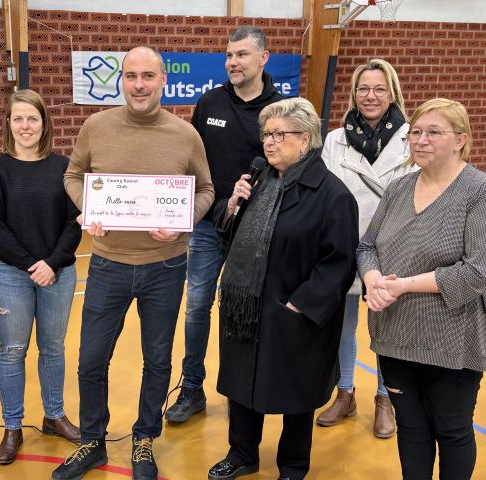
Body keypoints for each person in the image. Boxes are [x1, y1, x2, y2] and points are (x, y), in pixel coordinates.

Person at [52, 46, 214, 480]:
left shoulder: (185, 135)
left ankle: (144, 439)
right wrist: (90, 207)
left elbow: (206, 190)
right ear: (120, 80)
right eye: (130, 76)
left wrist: (183, 222)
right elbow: (72, 176)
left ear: (163, 81)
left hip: (166, 266)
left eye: (147, 76)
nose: (138, 84)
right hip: (108, 265)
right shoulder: (95, 127)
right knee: (91, 360)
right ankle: (92, 441)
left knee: (157, 360)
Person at [207, 97, 358, 480]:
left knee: (297, 391)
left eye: (279, 134)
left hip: (293, 311)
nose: (269, 143)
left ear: (305, 139)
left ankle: (293, 464)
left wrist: (301, 306)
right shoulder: (257, 182)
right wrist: (233, 204)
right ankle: (242, 453)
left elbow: (338, 262)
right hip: (246, 304)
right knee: (242, 383)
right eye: (266, 134)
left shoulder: (331, 194)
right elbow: (230, 233)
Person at [357, 98, 486, 480]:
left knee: (452, 430)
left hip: (452, 339)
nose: (421, 140)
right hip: (395, 335)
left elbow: (477, 272)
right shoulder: (398, 188)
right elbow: (367, 247)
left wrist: (401, 286)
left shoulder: (477, 191)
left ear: (461, 140)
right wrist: (372, 280)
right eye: (416, 132)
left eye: (434, 132)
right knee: (411, 432)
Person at [166, 25, 284, 424]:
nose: (233, 62)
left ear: (263, 58)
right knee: (198, 306)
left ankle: (240, 387)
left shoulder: (279, 112)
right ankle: (192, 388)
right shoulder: (210, 102)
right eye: (229, 55)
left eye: (242, 55)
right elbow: (190, 163)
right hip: (208, 226)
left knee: (244, 311)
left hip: (256, 232)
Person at [0, 89, 82, 465]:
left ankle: (54, 416)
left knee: (53, 348)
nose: (25, 126)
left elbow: (75, 222)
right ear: (8, 124)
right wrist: (31, 265)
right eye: (18, 118)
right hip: (10, 274)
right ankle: (12, 426)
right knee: (12, 351)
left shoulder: (63, 167)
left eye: (32, 118)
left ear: (44, 123)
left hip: (58, 273)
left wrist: (52, 263)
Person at [318, 58, 416, 438]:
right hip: (343, 245)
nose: (370, 96)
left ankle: (384, 399)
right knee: (342, 329)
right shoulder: (334, 139)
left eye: (378, 88)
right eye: (363, 89)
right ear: (353, 94)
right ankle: (345, 393)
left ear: (391, 92)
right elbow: (326, 195)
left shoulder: (412, 137)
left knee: (385, 330)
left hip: (392, 246)